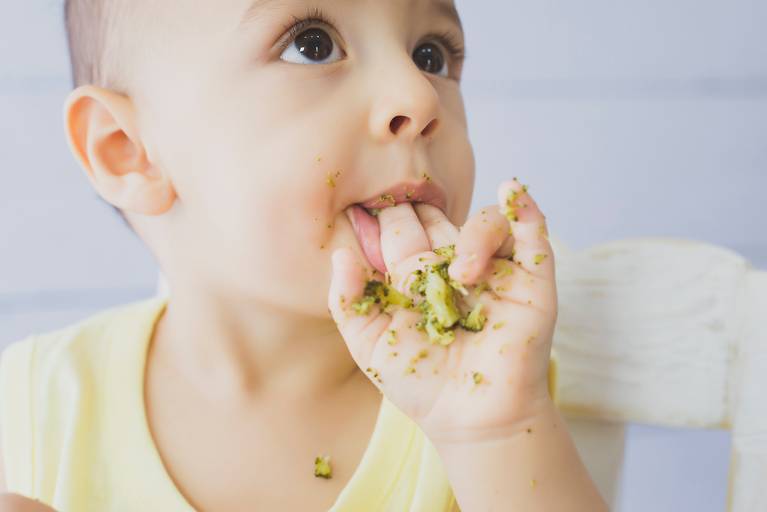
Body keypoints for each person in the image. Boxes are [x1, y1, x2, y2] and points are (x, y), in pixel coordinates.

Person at [0, 0, 608, 510]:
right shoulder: (26, 411)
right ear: (127, 151)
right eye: (311, 46)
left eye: (431, 55)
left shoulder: (483, 394)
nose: (419, 96)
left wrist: (497, 432)